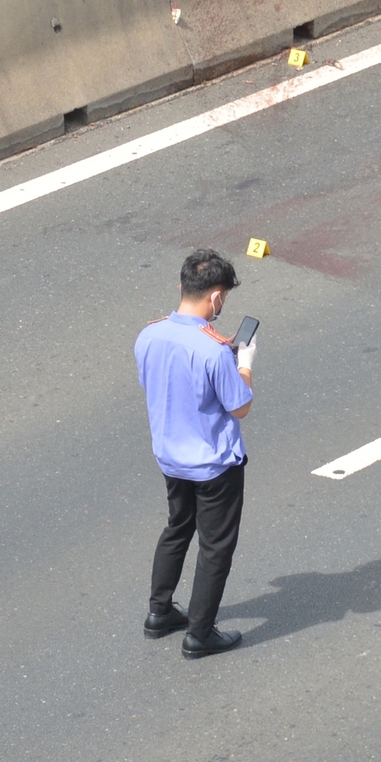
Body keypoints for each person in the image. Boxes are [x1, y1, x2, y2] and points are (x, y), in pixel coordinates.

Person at [134, 248, 258, 659]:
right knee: (215, 546)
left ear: (181, 286)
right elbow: (239, 405)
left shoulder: (149, 334)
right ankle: (200, 634)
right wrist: (245, 364)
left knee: (177, 527)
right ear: (217, 298)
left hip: (170, 457)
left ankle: (160, 611)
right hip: (213, 465)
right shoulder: (214, 350)